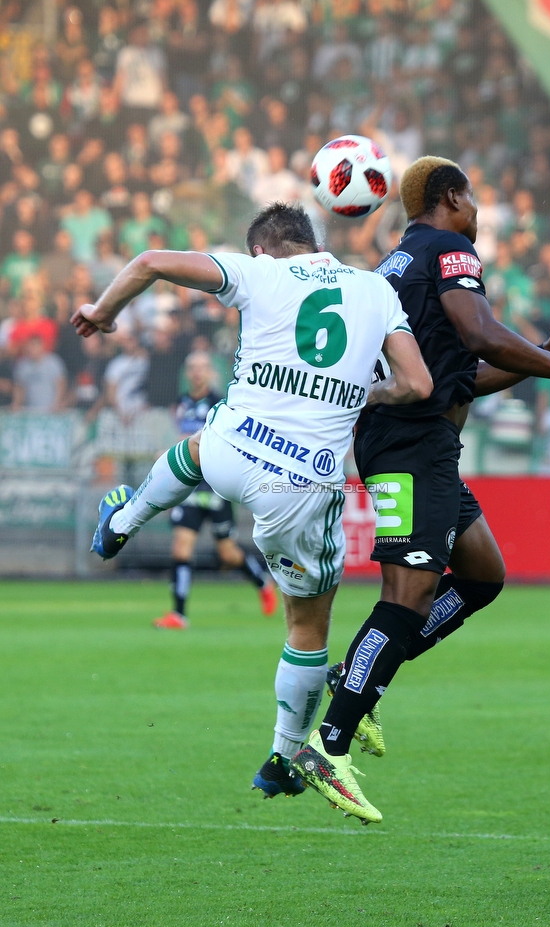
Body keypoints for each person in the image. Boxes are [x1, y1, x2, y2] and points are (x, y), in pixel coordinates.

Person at [72, 202, 433, 822]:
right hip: (303, 479)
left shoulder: (257, 274)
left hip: (235, 448)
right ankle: (281, 759)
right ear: (311, 241)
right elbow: (418, 385)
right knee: (306, 627)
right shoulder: (375, 289)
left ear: (262, 249)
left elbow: (152, 261)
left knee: (191, 452)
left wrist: (102, 312)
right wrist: (356, 393)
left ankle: (123, 521)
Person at [290, 156, 550, 823]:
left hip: (417, 441)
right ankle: (328, 742)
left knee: (480, 576)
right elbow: (477, 334)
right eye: (472, 197)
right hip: (411, 446)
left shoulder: (396, 263)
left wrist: (541, 353)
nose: (478, 211)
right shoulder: (449, 251)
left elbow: (457, 372)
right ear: (449, 197)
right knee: (407, 596)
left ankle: (357, 677)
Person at [153, 349, 277, 628]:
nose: (197, 372)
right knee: (181, 547)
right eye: (193, 367)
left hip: (216, 487)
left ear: (210, 372)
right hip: (190, 486)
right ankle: (179, 614)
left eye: (202, 367)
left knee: (227, 553)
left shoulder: (219, 403)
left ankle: (262, 582)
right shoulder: (181, 404)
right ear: (187, 373)